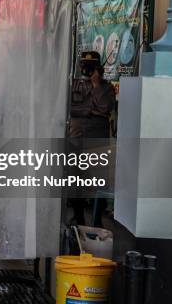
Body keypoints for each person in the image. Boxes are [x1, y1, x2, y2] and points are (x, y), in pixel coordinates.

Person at [68, 51, 116, 227]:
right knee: (75, 180)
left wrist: (96, 86)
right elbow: (70, 108)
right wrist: (91, 111)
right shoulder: (74, 85)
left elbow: (105, 108)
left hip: (97, 142)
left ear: (99, 69)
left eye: (91, 67)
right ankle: (77, 216)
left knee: (97, 182)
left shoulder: (107, 88)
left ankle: (97, 221)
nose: (86, 70)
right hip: (76, 139)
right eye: (84, 66)